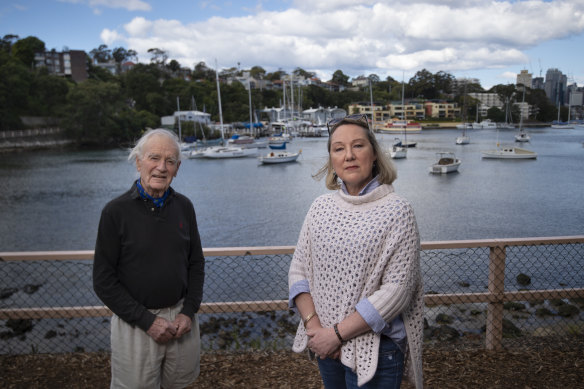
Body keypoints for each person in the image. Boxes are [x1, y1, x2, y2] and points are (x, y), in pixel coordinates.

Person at [288, 114, 424, 389]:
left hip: (378, 350)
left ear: (374, 154)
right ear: (332, 159)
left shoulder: (398, 210)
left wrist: (336, 334)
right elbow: (298, 270)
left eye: (358, 146)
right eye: (339, 148)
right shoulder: (320, 207)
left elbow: (396, 291)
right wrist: (316, 331)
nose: (349, 155)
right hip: (326, 345)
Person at [93, 128, 205, 389]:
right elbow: (103, 281)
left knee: (180, 384)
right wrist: (148, 321)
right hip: (136, 324)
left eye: (170, 161)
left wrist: (188, 312)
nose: (161, 167)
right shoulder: (115, 212)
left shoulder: (185, 207)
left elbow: (196, 264)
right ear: (139, 162)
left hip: (181, 322)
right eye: (154, 158)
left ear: (178, 168)